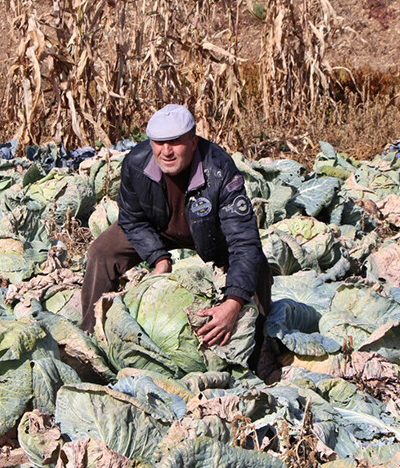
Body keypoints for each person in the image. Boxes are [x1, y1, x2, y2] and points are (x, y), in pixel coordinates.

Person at [79, 104, 272, 353]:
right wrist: (159, 258)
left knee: (257, 269)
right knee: (102, 251)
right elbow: (132, 219)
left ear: (193, 142)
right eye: (159, 142)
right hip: (158, 228)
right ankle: (90, 335)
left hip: (212, 233)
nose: (166, 151)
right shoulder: (136, 164)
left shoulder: (219, 169)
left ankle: (263, 350)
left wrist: (233, 303)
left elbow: (244, 242)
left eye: (175, 142)